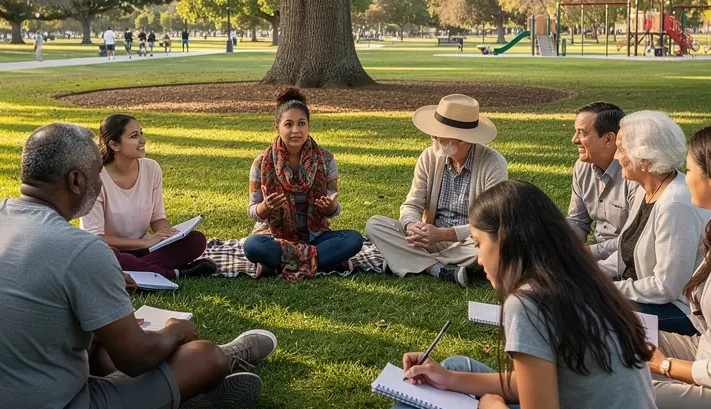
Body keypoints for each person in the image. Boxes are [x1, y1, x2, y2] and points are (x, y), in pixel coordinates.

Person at [275, 181, 657, 409]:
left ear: (503, 240)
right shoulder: (577, 280)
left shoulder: (530, 303)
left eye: (477, 243)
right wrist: (449, 381)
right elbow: (543, 385)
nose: (477, 257)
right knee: (455, 367)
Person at [0, 123, 273, 409]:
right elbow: (136, 359)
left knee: (102, 347)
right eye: (95, 174)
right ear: (76, 180)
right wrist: (175, 330)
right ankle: (218, 364)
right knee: (203, 356)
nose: (100, 183)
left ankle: (174, 396)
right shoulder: (81, 249)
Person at [365, 95, 507, 286]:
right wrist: (412, 226)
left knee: (491, 246)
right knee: (375, 225)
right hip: (429, 238)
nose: (433, 137)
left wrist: (444, 234)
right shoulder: (428, 157)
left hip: (469, 241)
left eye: (438, 134)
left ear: (462, 140)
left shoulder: (493, 164)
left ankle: (405, 260)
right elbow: (412, 204)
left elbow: (491, 222)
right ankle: (437, 269)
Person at [598, 111, 710, 336]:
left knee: (591, 312)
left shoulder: (675, 205)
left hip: (682, 312)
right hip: (640, 293)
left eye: (621, 149)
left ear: (644, 160)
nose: (616, 156)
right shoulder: (646, 189)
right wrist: (586, 273)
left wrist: (604, 287)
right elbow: (623, 255)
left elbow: (666, 288)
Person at [242, 89, 363, 280]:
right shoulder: (261, 163)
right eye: (288, 124)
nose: (295, 130)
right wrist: (265, 207)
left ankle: (276, 264)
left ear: (308, 126)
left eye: (301, 124)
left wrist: (332, 208)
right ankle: (326, 260)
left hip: (315, 235)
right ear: (278, 127)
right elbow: (252, 210)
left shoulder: (325, 160)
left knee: (354, 240)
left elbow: (333, 206)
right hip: (274, 235)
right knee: (252, 246)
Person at [81, 114, 217, 279]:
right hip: (110, 250)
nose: (142, 140)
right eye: (134, 136)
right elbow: (96, 238)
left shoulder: (152, 168)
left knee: (196, 240)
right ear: (114, 145)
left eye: (141, 133)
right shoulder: (94, 179)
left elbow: (157, 217)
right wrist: (144, 242)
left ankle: (132, 269)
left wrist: (167, 233)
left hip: (146, 248)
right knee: (101, 257)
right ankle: (174, 273)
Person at [649, 127, 711, 409]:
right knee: (619, 335)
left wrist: (666, 366)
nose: (684, 179)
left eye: (689, 170)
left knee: (632, 398)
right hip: (703, 351)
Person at [567, 102, 640, 259]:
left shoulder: (635, 175)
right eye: (575, 132)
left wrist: (588, 254)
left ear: (608, 139)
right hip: (597, 255)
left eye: (582, 133)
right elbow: (578, 221)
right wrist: (554, 240)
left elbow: (634, 239)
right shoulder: (582, 167)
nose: (574, 139)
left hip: (630, 261)